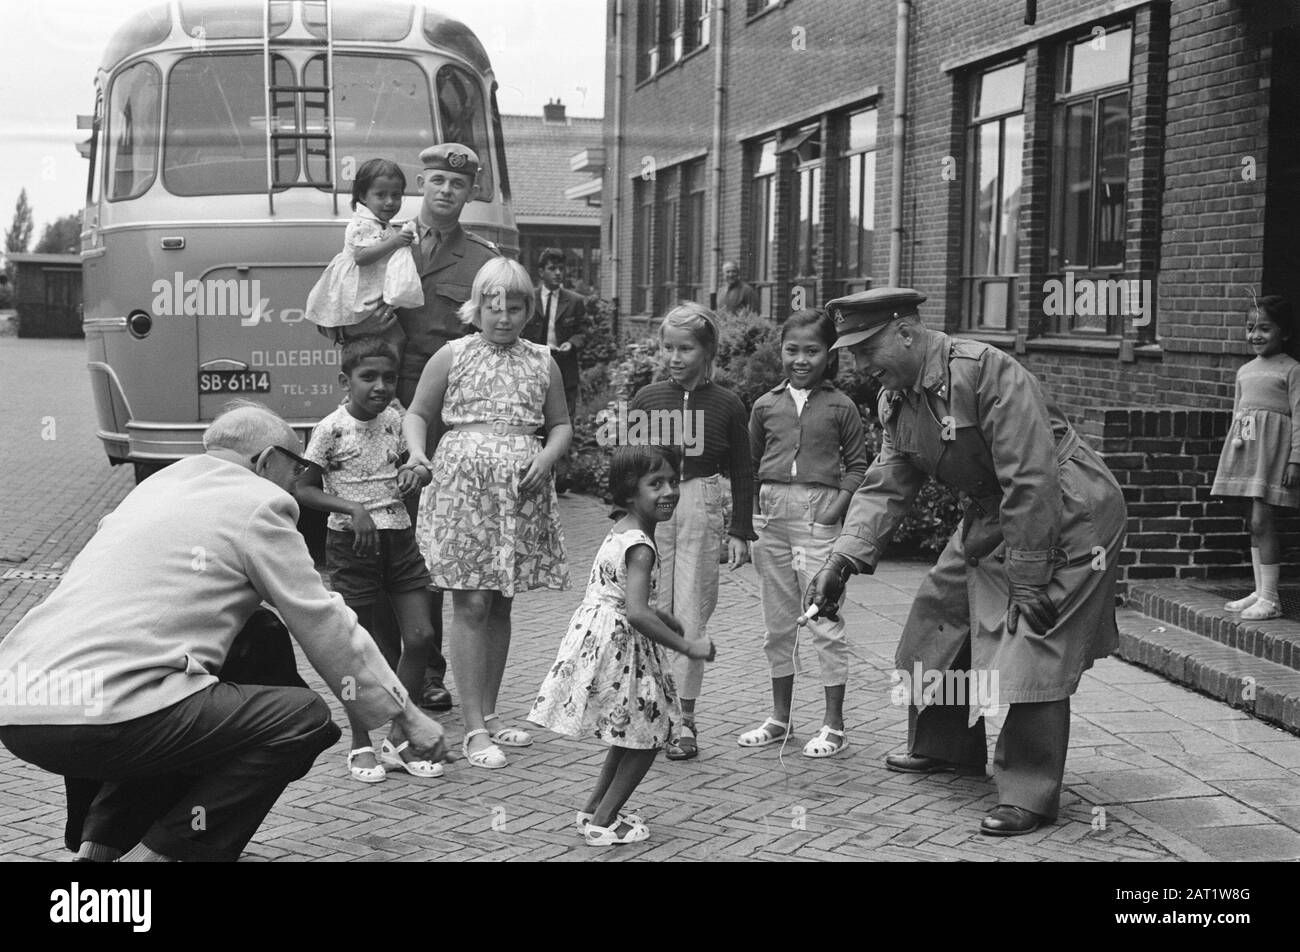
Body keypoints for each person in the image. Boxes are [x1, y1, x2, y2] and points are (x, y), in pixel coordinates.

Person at [0, 401, 447, 862]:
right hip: (106, 714)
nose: (299, 483)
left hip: (23, 709)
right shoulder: (258, 502)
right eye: (298, 468)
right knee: (300, 722)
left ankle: (97, 855)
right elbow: (323, 620)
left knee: (242, 650)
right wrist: (407, 714)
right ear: (266, 460)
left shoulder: (155, 489)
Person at [803, 288, 1126, 836]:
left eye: (865, 349)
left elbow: (1030, 477)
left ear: (906, 333)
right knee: (938, 613)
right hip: (995, 511)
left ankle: (1028, 791)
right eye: (850, 353)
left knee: (1033, 640)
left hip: (1069, 513)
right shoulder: (897, 399)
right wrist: (843, 559)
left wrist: (1028, 580)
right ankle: (946, 746)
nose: (857, 366)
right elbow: (886, 486)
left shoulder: (987, 372)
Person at [403, 257, 571, 769]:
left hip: (519, 494)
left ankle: (492, 715)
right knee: (471, 604)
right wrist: (417, 454)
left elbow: (561, 424)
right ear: (475, 309)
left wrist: (546, 455)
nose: (503, 317)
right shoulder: (451, 355)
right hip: (462, 492)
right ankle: (474, 728)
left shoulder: (544, 360)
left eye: (514, 307)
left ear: (528, 310)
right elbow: (417, 413)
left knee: (500, 603)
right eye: (493, 307)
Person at [358, 143, 501, 714]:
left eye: (457, 185)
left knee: (428, 542)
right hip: (376, 410)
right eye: (437, 180)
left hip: (440, 418)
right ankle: (381, 667)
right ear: (423, 183)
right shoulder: (381, 238)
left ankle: (429, 672)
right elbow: (341, 307)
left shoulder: (481, 263)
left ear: (469, 194)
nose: (446, 191)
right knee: (376, 540)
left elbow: (496, 335)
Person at [528, 445, 714, 846]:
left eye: (672, 481)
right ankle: (605, 821)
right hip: (622, 646)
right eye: (655, 484)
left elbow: (626, 595)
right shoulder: (642, 546)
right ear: (630, 492)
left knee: (628, 731)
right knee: (650, 732)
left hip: (601, 635)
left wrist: (661, 616)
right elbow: (636, 613)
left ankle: (594, 807)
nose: (668, 491)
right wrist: (688, 646)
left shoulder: (623, 528)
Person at [295, 336, 443, 783]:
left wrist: (412, 473)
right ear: (346, 381)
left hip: (399, 539)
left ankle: (399, 735)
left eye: (389, 378)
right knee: (357, 649)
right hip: (352, 546)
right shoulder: (330, 429)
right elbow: (302, 489)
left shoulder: (396, 422)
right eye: (368, 377)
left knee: (419, 637)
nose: (380, 386)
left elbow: (404, 466)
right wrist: (351, 509)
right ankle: (360, 741)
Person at [628, 302, 755, 761]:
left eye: (686, 348)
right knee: (651, 609)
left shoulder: (727, 404)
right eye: (668, 347)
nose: (675, 357)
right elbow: (628, 465)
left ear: (707, 351)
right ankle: (651, 709)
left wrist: (740, 530)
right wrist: (623, 522)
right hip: (653, 508)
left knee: (692, 613)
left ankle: (685, 719)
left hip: (701, 503)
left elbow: (743, 469)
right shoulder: (646, 399)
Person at [741, 309, 868, 758]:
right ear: (780, 351)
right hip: (772, 521)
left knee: (823, 619)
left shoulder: (841, 407)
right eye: (792, 350)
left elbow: (858, 466)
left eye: (812, 351)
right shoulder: (764, 405)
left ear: (828, 356)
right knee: (777, 624)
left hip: (818, 517)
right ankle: (780, 719)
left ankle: (834, 724)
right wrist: (750, 517)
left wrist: (834, 509)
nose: (800, 359)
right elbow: (749, 467)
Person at [1211, 294, 1300, 621]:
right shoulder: (1245, 371)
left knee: (1263, 522)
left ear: (1285, 332)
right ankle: (1260, 591)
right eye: (1250, 328)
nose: (1255, 335)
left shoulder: (1292, 370)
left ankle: (1271, 598)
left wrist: (1296, 459)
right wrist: (1231, 455)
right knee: (1253, 524)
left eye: (1264, 328)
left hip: (1274, 455)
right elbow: (1239, 415)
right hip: (1248, 454)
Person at [304, 157, 423, 359]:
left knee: (387, 341)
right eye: (381, 195)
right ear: (362, 196)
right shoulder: (363, 223)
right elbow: (361, 257)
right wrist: (395, 243)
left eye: (396, 195)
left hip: (370, 290)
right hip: (358, 291)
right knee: (382, 340)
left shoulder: (381, 224)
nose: (390, 202)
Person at [524, 247, 589, 424]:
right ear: (541, 271)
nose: (558, 273)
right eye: (552, 268)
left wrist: (571, 343)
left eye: (561, 268)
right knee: (533, 416)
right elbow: (520, 331)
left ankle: (564, 451)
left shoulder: (574, 301)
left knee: (564, 418)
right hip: (533, 366)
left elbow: (583, 331)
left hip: (565, 367)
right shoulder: (528, 298)